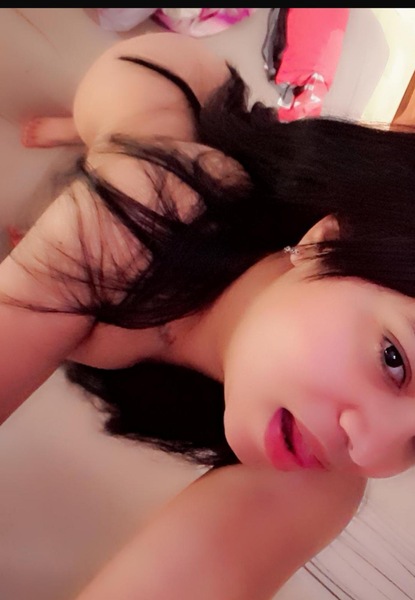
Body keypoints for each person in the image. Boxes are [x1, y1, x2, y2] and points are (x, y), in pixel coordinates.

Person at [3, 31, 415, 599]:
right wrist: (71, 255)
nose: (368, 450)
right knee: (118, 154)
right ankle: (84, 140)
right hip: (167, 83)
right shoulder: (153, 202)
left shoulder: (324, 466)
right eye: (394, 359)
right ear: (322, 240)